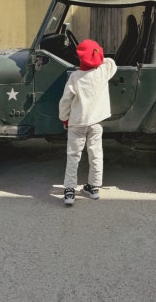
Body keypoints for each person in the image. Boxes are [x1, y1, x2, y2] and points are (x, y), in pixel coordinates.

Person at [59, 39, 117, 205]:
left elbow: (65, 101)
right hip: (96, 122)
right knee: (96, 153)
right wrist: (97, 56)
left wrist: (64, 118)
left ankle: (69, 191)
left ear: (80, 58)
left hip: (77, 122)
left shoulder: (75, 77)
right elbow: (111, 62)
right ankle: (93, 187)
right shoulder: (103, 71)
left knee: (73, 156)